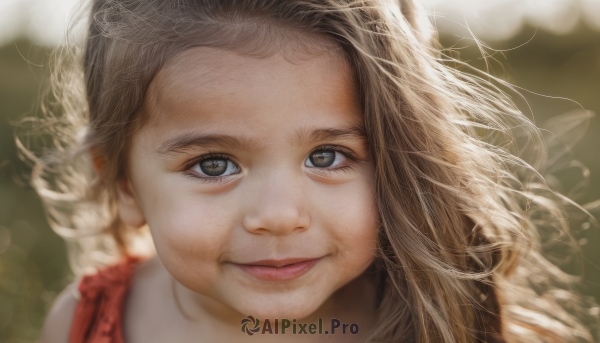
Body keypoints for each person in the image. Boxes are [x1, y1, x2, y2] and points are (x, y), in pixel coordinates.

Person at [25, 0, 598, 342]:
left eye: (328, 157)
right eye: (213, 164)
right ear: (122, 184)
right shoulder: (86, 320)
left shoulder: (422, 321)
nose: (278, 216)